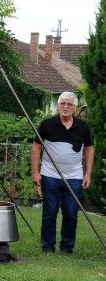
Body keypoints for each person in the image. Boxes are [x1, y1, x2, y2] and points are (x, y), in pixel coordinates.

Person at [31, 92, 94, 255]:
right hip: (50, 174)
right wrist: (35, 172)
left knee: (71, 213)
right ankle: (47, 246)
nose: (65, 107)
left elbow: (89, 149)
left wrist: (88, 174)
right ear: (58, 106)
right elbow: (36, 148)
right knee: (50, 211)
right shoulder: (47, 124)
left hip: (74, 176)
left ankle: (67, 247)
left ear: (75, 108)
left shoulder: (83, 127)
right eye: (62, 103)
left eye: (69, 104)